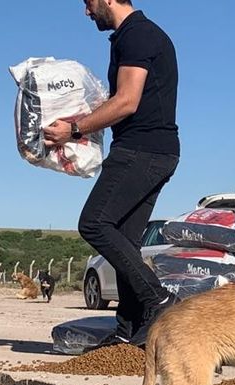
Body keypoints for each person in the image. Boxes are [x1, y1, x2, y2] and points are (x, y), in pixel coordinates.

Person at [44, 0, 179, 347]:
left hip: (142, 150)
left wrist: (73, 131)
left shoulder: (138, 35)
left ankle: (160, 300)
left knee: (94, 223)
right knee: (125, 239)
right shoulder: (133, 36)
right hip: (155, 150)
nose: (86, 12)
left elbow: (127, 101)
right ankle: (130, 330)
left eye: (88, 3)